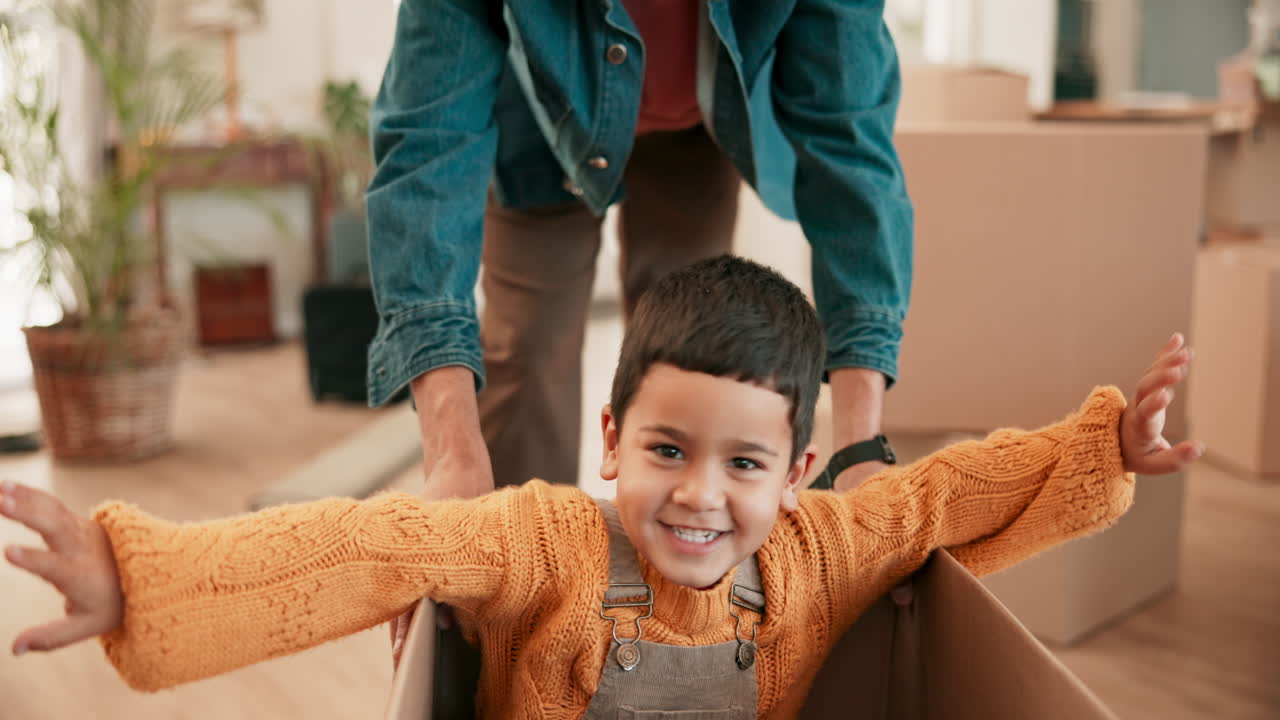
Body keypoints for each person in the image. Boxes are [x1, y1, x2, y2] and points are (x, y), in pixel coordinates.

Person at [2, 257, 1199, 718]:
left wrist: (1102, 446)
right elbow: (372, 550)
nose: (698, 497)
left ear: (798, 475)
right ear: (613, 440)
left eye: (743, 465)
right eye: (668, 450)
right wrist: (142, 580)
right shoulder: (547, 541)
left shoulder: (818, 550)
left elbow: (943, 495)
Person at [365, 0, 914, 507]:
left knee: (691, 355)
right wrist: (453, 454)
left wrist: (858, 450)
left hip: (695, 126)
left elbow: (851, 153)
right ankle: (522, 559)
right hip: (542, 116)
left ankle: (673, 567)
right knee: (530, 348)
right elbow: (428, 146)